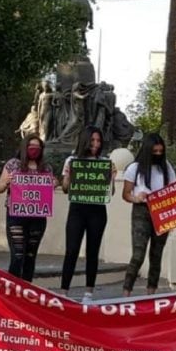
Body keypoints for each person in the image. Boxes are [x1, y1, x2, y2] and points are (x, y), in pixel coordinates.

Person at [60, 126, 116, 302]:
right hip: (77, 210)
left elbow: (110, 192)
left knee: (93, 250)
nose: (96, 144)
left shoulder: (104, 161)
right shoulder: (72, 160)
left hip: (97, 211)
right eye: (92, 140)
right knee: (72, 250)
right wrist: (68, 176)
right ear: (85, 140)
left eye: (98, 141)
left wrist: (112, 177)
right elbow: (65, 188)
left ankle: (89, 292)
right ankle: (63, 292)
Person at [121, 133, 176, 296]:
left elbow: (174, 190)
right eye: (155, 151)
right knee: (138, 254)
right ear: (148, 150)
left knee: (156, 254)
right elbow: (125, 194)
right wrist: (136, 197)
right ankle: (126, 291)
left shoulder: (166, 167)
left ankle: (151, 294)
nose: (158, 155)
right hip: (142, 210)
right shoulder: (134, 168)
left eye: (161, 151)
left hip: (162, 210)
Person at [0, 135, 56, 281]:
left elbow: (49, 188)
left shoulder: (46, 168)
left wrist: (54, 183)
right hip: (16, 216)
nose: (34, 150)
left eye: (38, 147)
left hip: (38, 217)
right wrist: (7, 182)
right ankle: (12, 291)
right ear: (24, 148)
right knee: (17, 255)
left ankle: (27, 291)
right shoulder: (13, 164)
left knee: (30, 255)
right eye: (31, 147)